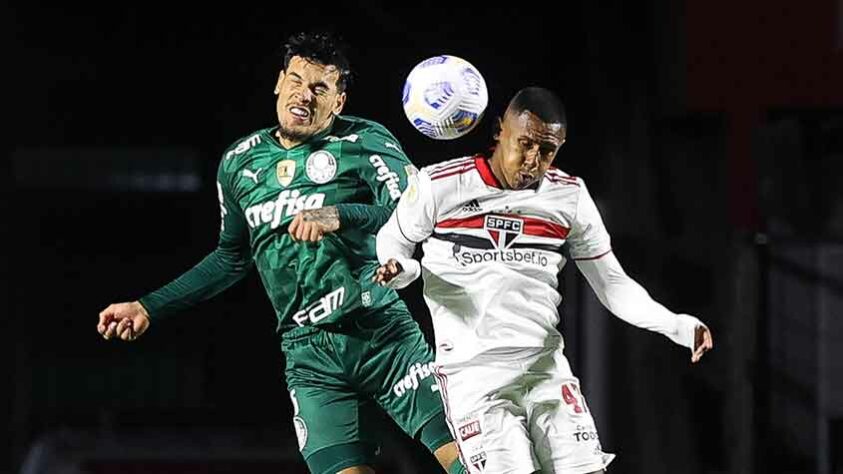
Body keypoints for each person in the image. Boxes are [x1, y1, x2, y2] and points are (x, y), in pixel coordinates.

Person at [96, 31, 464, 474]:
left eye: (319, 88)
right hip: (309, 354)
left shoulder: (365, 141)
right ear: (278, 83)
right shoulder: (239, 162)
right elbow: (231, 257)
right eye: (296, 81)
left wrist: (339, 214)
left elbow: (415, 212)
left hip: (381, 335)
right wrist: (148, 306)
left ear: (339, 101)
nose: (303, 96)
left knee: (469, 461)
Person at [374, 86, 714, 474]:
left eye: (547, 150)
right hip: (475, 375)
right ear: (500, 130)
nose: (533, 160)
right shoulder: (440, 185)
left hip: (546, 370)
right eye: (525, 143)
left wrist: (676, 324)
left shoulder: (568, 197)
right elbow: (393, 243)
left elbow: (612, 284)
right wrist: (399, 268)